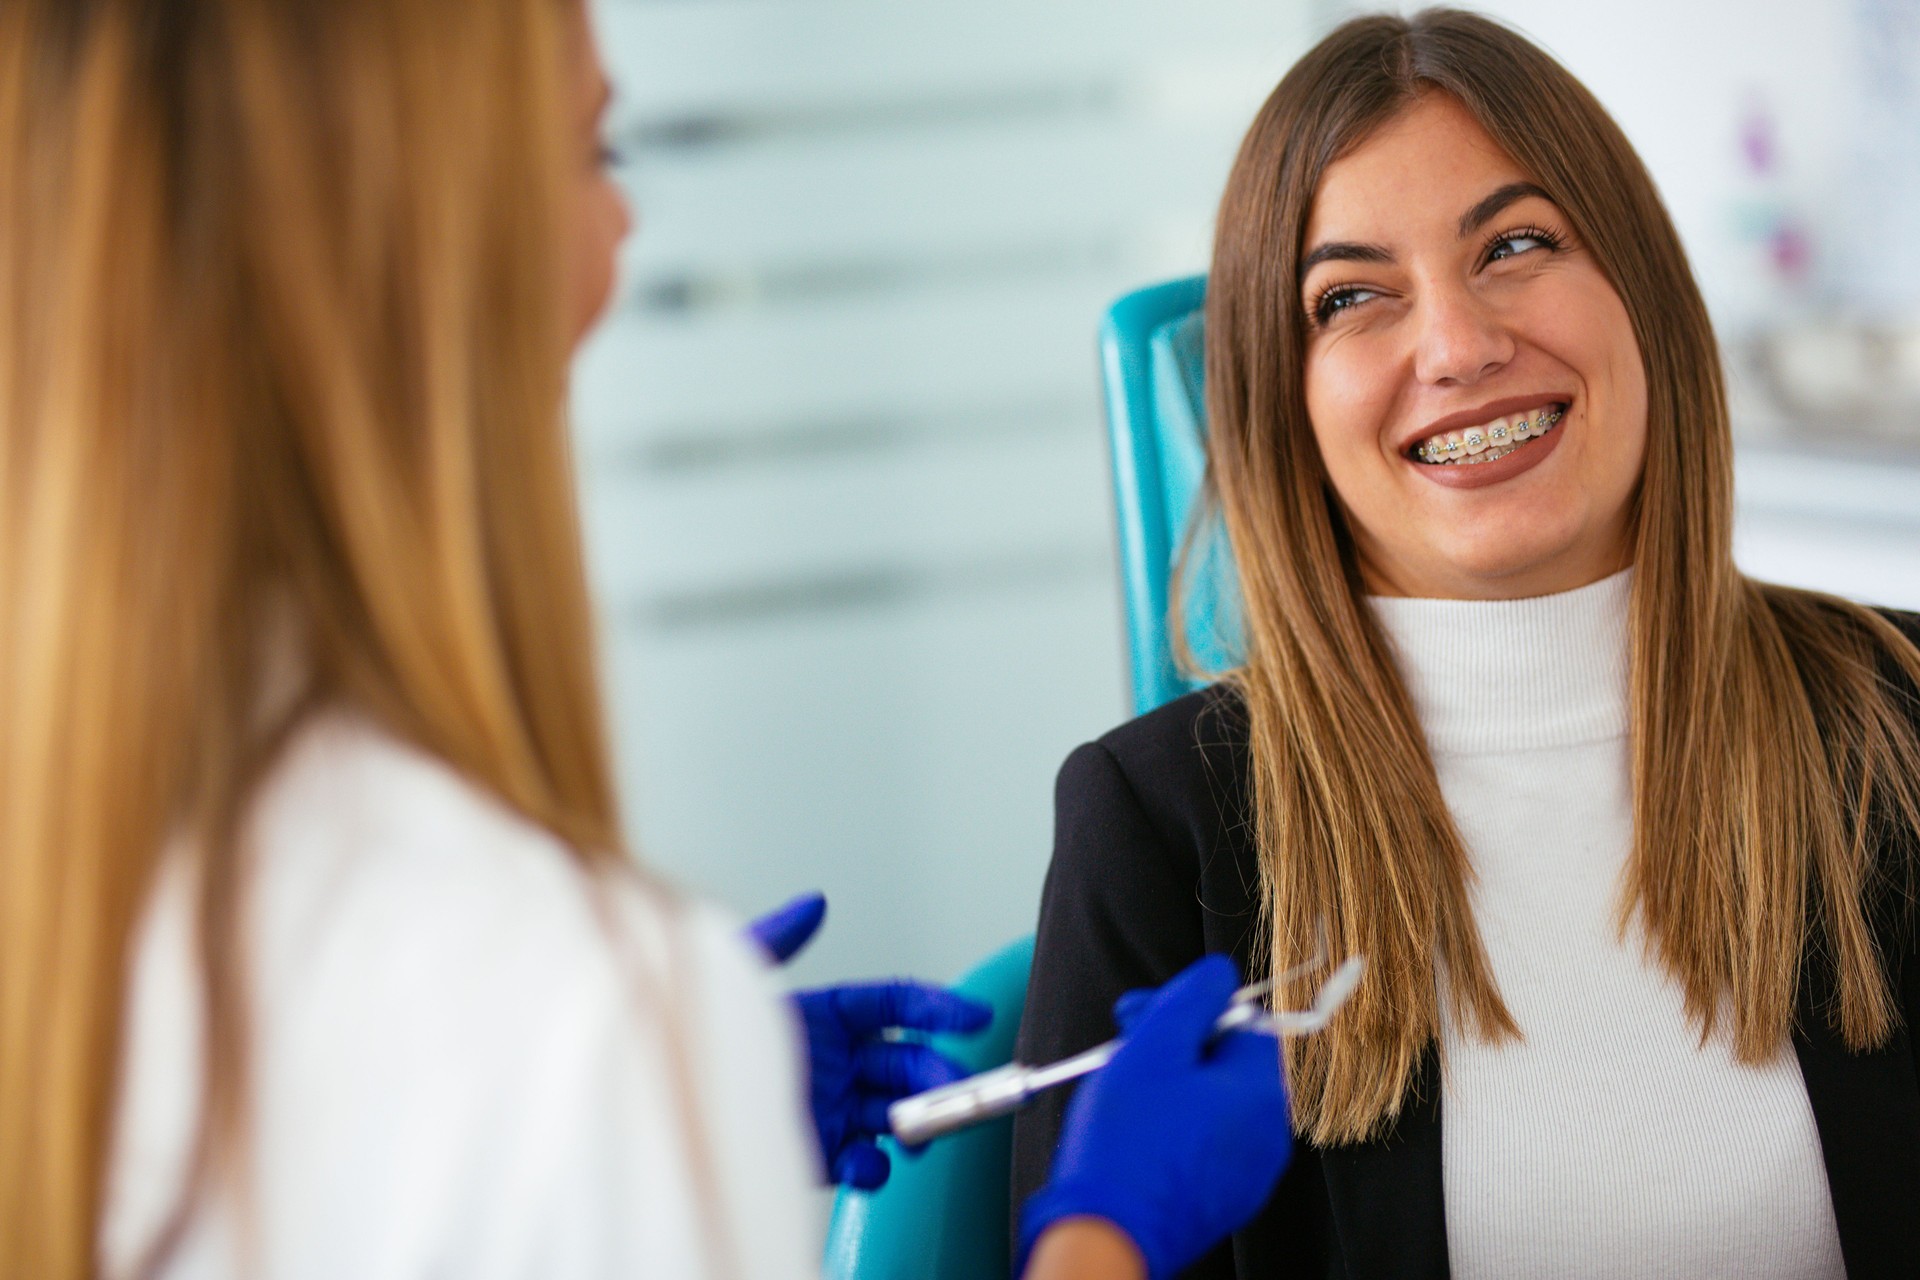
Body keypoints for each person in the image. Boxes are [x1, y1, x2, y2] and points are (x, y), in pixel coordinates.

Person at [0, 1, 1292, 1277]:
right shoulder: (586, 1013)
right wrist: (1104, 1235)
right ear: (414, 248)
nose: (621, 228)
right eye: (587, 155)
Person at [1013, 9, 1920, 1279]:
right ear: (1283, 404)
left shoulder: (1903, 720)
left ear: (1645, 295)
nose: (1458, 346)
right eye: (1352, 298)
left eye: (1518, 243)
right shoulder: (1157, 826)